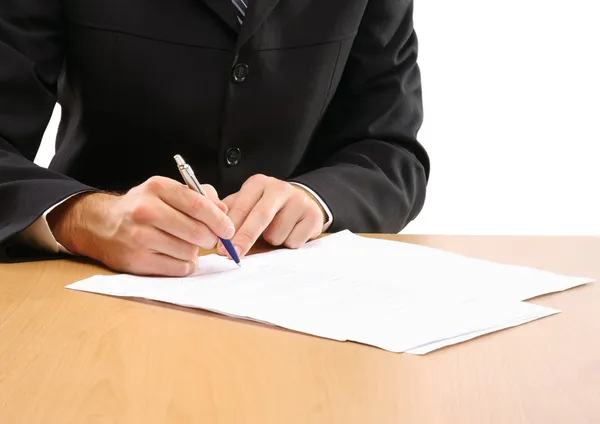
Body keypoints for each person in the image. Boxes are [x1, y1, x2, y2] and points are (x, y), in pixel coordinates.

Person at [0, 0, 430, 276]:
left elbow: (391, 150)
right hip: (90, 288)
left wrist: (318, 199)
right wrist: (86, 220)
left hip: (293, 300)